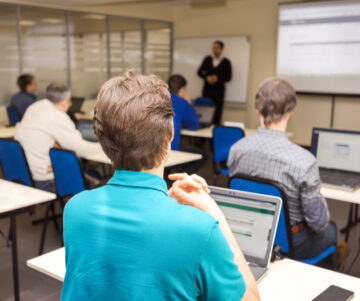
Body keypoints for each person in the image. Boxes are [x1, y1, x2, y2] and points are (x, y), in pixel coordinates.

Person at [61, 72, 259, 301]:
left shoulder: (75, 209)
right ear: (170, 134)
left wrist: (165, 203)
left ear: (103, 141)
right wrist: (215, 214)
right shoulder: (200, 229)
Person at [227, 77, 337, 261]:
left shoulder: (236, 150)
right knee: (331, 229)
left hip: (249, 235)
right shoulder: (304, 161)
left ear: (257, 110)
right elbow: (318, 223)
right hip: (292, 244)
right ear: (291, 111)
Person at [15, 82, 102, 193]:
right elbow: (82, 150)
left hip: (26, 175)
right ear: (65, 101)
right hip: (45, 181)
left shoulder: (34, 108)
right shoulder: (57, 116)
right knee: (94, 177)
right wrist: (104, 146)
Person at [197, 40, 232, 125]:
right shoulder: (207, 59)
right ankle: (202, 137)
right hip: (207, 91)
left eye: (217, 48)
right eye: (214, 47)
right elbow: (199, 72)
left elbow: (229, 77)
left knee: (217, 115)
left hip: (219, 92)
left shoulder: (226, 62)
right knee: (205, 113)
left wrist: (218, 78)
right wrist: (206, 77)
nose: (215, 49)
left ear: (221, 49)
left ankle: (213, 137)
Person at [168, 74, 199, 150]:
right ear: (182, 89)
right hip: (172, 149)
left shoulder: (158, 98)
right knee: (203, 156)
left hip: (153, 150)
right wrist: (189, 102)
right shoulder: (182, 102)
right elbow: (194, 126)